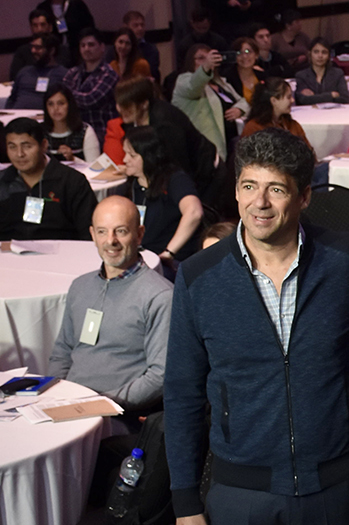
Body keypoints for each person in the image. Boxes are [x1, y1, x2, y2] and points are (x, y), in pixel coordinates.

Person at [166, 128, 349, 525]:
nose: (259, 202)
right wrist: (186, 502)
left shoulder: (342, 259)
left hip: (331, 487)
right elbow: (182, 396)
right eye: (248, 186)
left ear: (303, 196)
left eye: (276, 189)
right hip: (241, 495)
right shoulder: (198, 278)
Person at [47, 194, 170, 416]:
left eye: (121, 231)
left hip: (116, 414)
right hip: (67, 406)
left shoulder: (160, 296)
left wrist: (101, 406)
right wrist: (54, 398)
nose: (110, 241)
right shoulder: (80, 286)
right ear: (93, 235)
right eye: (102, 231)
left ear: (139, 234)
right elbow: (62, 352)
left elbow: (160, 375)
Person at [0, 117, 96, 240]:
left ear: (44, 145)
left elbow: (89, 232)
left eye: (27, 146)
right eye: (12, 147)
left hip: (62, 249)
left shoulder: (72, 182)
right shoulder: (2, 181)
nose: (20, 154)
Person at [120, 126, 204, 264]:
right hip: (142, 256)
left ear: (149, 156)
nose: (124, 159)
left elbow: (194, 212)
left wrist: (169, 253)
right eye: (125, 153)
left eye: (132, 155)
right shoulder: (133, 185)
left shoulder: (175, 179)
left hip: (171, 260)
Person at [172, 45, 247, 163]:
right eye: (201, 58)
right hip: (206, 148)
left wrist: (239, 109)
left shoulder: (220, 82)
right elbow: (193, 87)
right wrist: (205, 67)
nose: (207, 61)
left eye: (209, 58)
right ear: (191, 61)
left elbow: (243, 101)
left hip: (231, 142)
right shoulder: (184, 80)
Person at [61, 29, 118, 142]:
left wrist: (69, 95)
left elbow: (90, 100)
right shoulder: (72, 73)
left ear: (102, 47)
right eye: (83, 45)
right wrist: (67, 96)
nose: (86, 49)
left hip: (100, 132)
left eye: (91, 45)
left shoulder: (109, 74)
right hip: (75, 129)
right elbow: (61, 97)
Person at [241, 78, 313, 154]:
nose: (292, 100)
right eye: (288, 97)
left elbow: (309, 152)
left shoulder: (292, 125)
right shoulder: (254, 128)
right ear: (274, 101)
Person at [8, 34, 69, 111]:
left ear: (51, 51)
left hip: (44, 116)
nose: (33, 51)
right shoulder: (24, 72)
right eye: (32, 47)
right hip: (17, 115)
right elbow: (12, 99)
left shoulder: (64, 74)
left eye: (38, 48)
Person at [40, 85, 100, 162]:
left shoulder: (85, 131)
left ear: (69, 105)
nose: (55, 108)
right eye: (50, 104)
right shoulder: (39, 131)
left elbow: (94, 167)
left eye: (61, 103)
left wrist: (73, 159)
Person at [9, 9, 69, 83]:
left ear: (50, 27)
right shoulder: (22, 51)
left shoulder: (62, 50)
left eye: (42, 25)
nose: (39, 29)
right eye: (35, 25)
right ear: (31, 28)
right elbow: (15, 77)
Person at [294, 38, 349, 105]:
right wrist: (330, 95)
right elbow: (302, 100)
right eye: (316, 52)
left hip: (333, 111)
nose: (320, 56)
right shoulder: (301, 75)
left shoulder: (338, 74)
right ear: (310, 54)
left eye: (324, 52)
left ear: (329, 55)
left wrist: (314, 98)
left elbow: (344, 99)